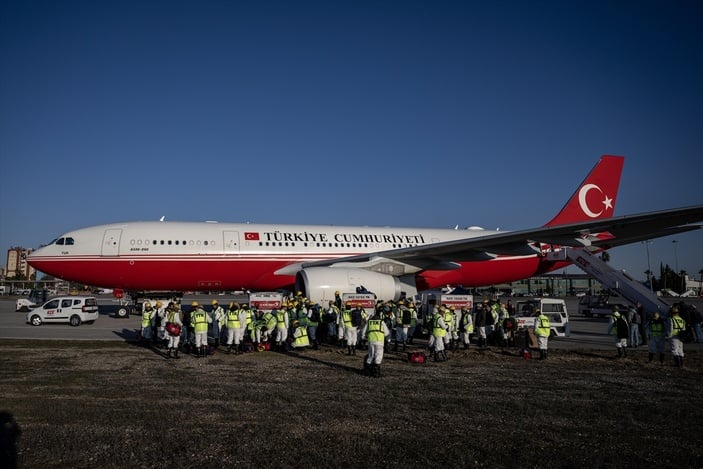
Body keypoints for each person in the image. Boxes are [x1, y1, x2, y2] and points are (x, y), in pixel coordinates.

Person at [361, 312, 390, 377]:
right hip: (379, 341)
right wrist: (388, 340)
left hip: (371, 341)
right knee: (378, 356)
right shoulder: (381, 322)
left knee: (370, 355)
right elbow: (387, 332)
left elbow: (363, 331)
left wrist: (363, 338)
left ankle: (367, 372)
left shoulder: (369, 322)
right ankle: (376, 373)